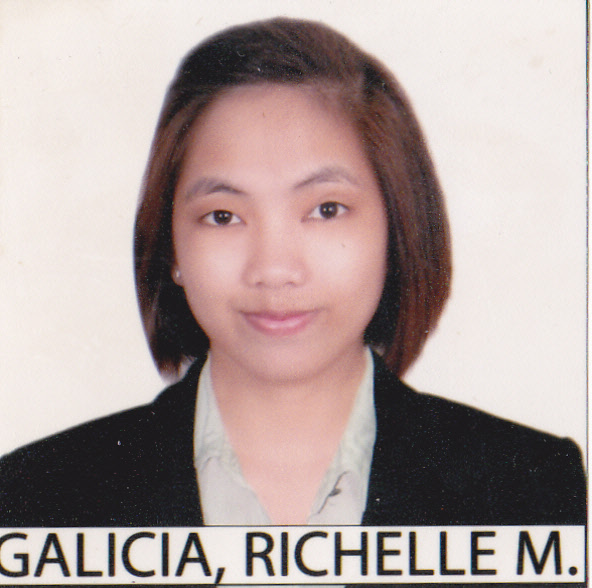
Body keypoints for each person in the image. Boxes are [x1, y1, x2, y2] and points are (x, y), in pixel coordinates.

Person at [0, 17, 585, 528]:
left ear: (397, 229)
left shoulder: (532, 488)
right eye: (223, 216)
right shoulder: (35, 498)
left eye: (326, 210)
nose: (274, 270)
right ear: (171, 246)